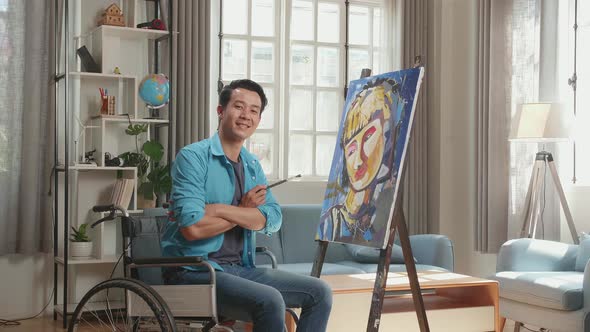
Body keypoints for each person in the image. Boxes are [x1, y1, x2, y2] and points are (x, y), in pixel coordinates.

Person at [161, 79, 332, 332]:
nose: (246, 116)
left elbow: (273, 218)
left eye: (254, 110)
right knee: (270, 299)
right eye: (238, 107)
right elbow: (193, 229)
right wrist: (245, 210)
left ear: (259, 120)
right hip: (196, 270)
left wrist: (220, 209)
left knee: (320, 292)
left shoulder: (252, 165)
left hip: (242, 269)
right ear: (221, 111)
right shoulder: (193, 157)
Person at [319, 78, 400, 245]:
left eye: (369, 137)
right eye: (351, 149)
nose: (358, 161)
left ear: (386, 136)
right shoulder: (330, 224)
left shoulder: (381, 209)